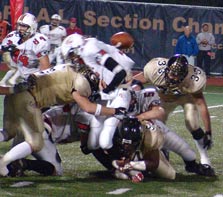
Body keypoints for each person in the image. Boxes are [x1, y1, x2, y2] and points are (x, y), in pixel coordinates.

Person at [0, 63, 127, 176]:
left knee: (8, 132)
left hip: (17, 93)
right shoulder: (81, 86)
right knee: (41, 150)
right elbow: (88, 111)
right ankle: (4, 162)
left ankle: (12, 164)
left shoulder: (68, 68)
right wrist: (116, 111)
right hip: (32, 106)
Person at [133, 54, 213, 167]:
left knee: (192, 123)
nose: (172, 78)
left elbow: (201, 104)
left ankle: (204, 156)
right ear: (166, 69)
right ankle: (163, 151)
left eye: (177, 76)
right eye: (171, 73)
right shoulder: (154, 69)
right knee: (157, 125)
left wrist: (208, 131)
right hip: (164, 100)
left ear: (184, 74)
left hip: (186, 98)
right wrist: (122, 86)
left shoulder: (193, 79)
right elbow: (135, 82)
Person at [0, 13, 50, 85]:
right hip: (18, 74)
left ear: (32, 27)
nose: (20, 28)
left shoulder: (39, 41)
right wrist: (5, 49)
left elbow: (45, 68)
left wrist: (38, 82)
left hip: (34, 77)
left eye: (23, 26)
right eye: (19, 25)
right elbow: (1, 49)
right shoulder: (13, 36)